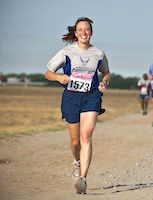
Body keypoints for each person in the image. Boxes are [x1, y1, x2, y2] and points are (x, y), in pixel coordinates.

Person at [44, 17, 110, 194]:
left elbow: (106, 73)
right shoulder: (66, 52)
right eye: (80, 29)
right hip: (71, 98)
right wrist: (59, 78)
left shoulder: (99, 53)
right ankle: (76, 161)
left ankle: (83, 179)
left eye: (87, 29)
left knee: (86, 135)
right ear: (75, 32)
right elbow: (48, 73)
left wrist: (104, 83)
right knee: (75, 142)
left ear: (91, 32)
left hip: (91, 97)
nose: (84, 32)